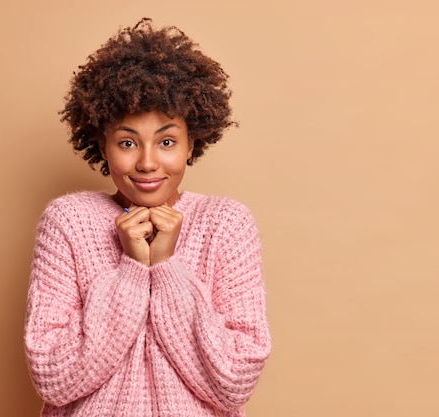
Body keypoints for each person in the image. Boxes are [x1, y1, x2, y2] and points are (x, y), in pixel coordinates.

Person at [24, 18, 271, 417]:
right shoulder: (68, 221)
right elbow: (55, 378)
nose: (148, 162)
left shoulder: (226, 223)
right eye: (126, 142)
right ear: (101, 147)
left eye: (167, 141)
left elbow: (234, 383)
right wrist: (132, 270)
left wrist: (167, 267)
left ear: (193, 143)